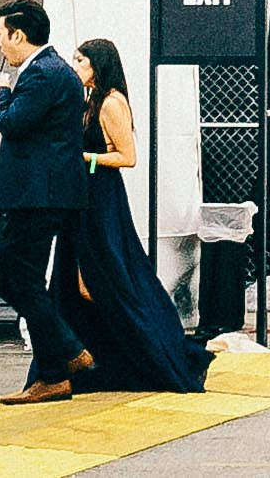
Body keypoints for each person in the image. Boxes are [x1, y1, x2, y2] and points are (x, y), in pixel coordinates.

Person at [61, 37, 205, 394]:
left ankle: (156, 350)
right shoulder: (90, 100)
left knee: (112, 277)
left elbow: (127, 156)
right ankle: (104, 352)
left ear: (98, 64)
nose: (75, 66)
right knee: (86, 279)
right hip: (85, 197)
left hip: (102, 198)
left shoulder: (111, 103)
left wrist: (85, 159)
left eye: (81, 60)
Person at [0, 0, 93, 407]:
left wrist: (0, 95)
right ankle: (55, 371)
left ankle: (66, 353)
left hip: (36, 194)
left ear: (18, 34)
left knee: (10, 277)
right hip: (44, 192)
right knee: (17, 277)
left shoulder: (41, 73)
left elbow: (14, 124)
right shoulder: (55, 71)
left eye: (0, 35)